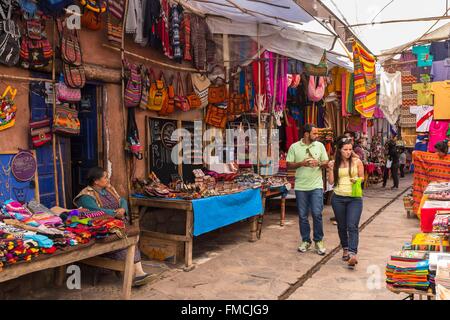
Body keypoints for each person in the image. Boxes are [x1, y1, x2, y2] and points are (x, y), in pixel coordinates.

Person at [74, 167, 157, 287]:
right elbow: (96, 211)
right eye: (105, 177)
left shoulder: (109, 189)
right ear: (96, 181)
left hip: (118, 226)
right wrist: (114, 213)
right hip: (103, 230)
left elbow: (121, 199)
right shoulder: (85, 196)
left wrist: (123, 208)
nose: (108, 179)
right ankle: (136, 274)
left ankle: (139, 273)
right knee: (125, 244)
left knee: (130, 241)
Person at [287, 124, 329, 255]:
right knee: (303, 216)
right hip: (301, 187)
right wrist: (301, 164)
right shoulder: (294, 147)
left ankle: (318, 240)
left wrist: (319, 163)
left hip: (316, 185)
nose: (317, 136)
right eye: (314, 133)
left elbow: (326, 163)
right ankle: (306, 240)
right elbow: (289, 165)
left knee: (317, 214)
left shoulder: (320, 146)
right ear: (306, 134)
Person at [327, 138, 364, 268]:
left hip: (354, 198)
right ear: (339, 150)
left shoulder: (357, 161)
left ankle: (353, 254)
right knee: (341, 226)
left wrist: (357, 179)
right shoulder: (334, 163)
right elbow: (331, 182)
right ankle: (346, 248)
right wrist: (330, 169)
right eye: (345, 149)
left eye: (350, 149)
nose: (348, 152)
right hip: (338, 198)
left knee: (352, 225)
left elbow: (362, 177)